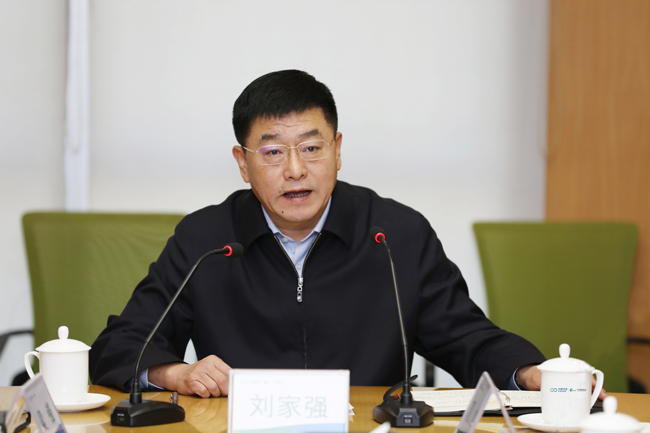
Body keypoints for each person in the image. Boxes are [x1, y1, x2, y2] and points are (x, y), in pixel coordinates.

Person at [90, 69, 548, 398]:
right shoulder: (206, 239)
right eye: (272, 152)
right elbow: (120, 345)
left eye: (311, 147)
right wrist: (177, 374)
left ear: (338, 150)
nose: (295, 170)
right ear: (242, 163)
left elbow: (466, 338)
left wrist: (531, 373)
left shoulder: (396, 235)